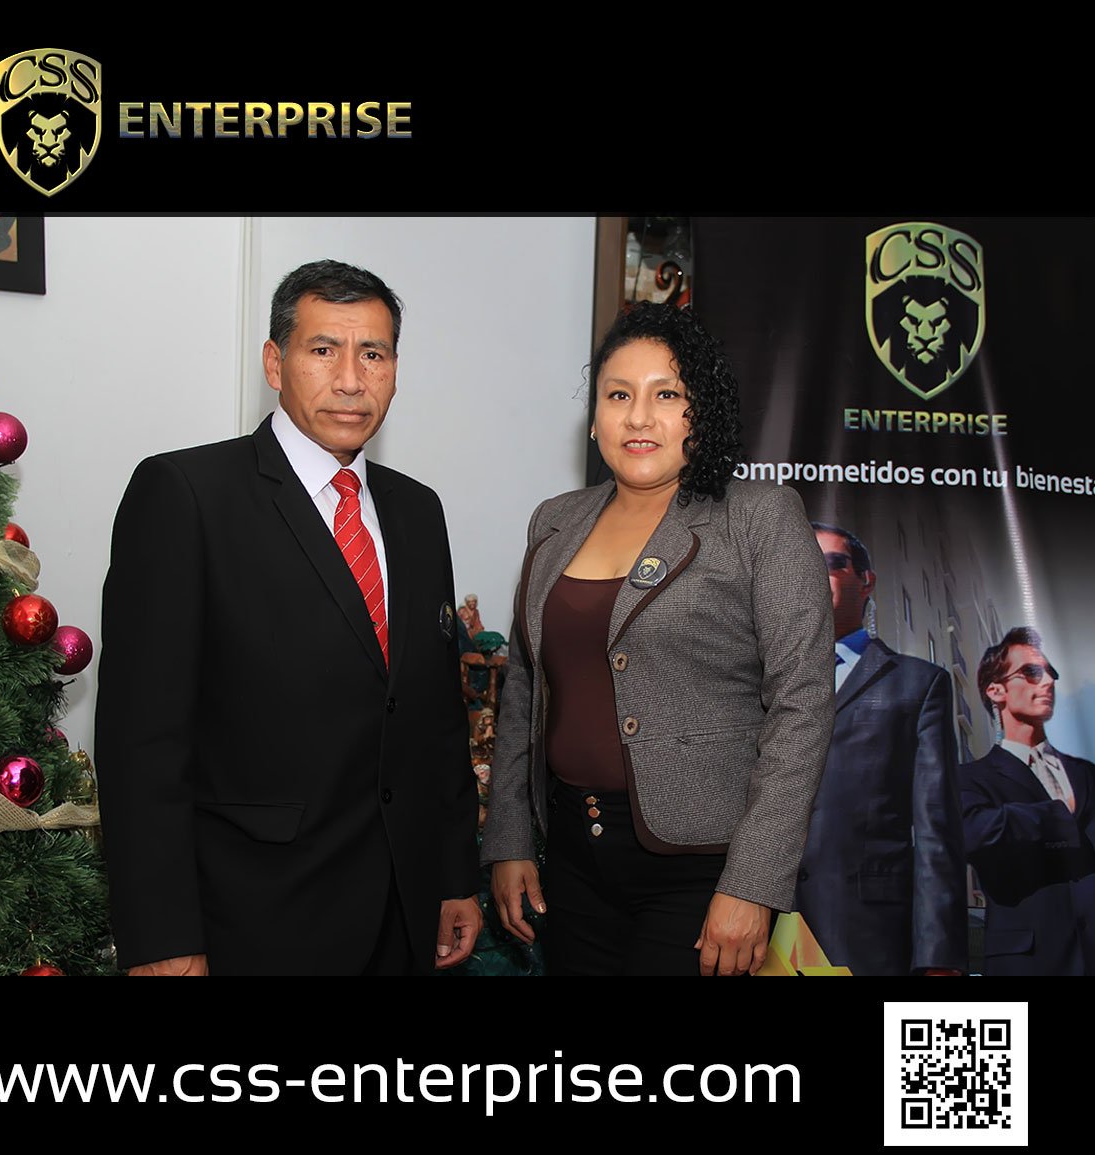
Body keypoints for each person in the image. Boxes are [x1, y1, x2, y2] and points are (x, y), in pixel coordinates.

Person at [95, 260, 481, 975]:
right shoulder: (185, 495)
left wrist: (456, 875)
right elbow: (141, 744)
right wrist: (162, 937)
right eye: (323, 349)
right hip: (252, 917)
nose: (351, 379)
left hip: (403, 911)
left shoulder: (417, 510)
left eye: (373, 354)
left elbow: (434, 712)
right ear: (275, 363)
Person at [481, 301, 834, 976]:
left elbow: (804, 704)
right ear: (594, 419)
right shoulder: (554, 522)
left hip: (704, 872)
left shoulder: (758, 517)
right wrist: (510, 837)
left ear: (701, 412)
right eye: (619, 396)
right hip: (572, 860)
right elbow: (525, 689)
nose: (639, 418)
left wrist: (752, 884)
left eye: (666, 395)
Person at [793, 524, 966, 975]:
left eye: (831, 564)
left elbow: (936, 831)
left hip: (866, 933)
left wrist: (938, 957)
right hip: (753, 925)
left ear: (866, 581)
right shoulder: (752, 677)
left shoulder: (919, 684)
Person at [959, 627, 1095, 975]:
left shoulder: (1086, 773)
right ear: (996, 691)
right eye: (1032, 672)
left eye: (1051, 673)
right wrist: (1057, 814)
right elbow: (974, 835)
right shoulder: (970, 778)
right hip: (1027, 962)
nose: (1047, 682)